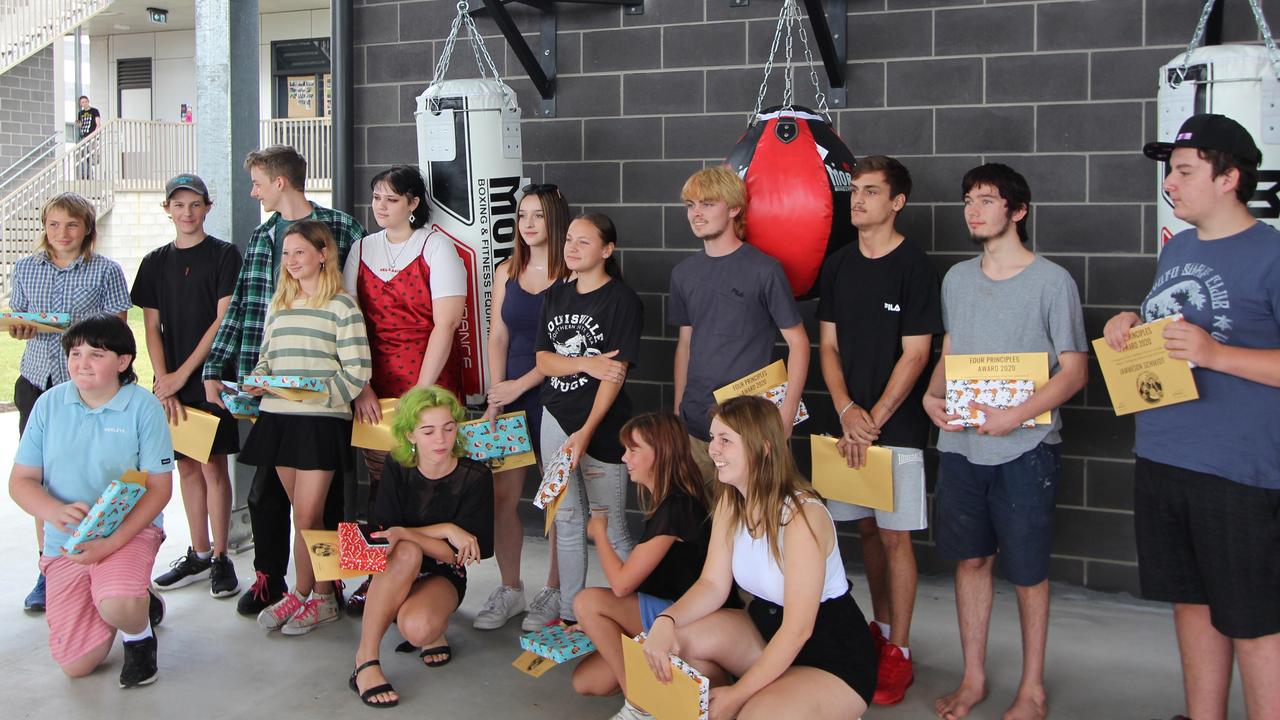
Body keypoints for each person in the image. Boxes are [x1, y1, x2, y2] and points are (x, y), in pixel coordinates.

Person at [1105, 114, 1280, 720]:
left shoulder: (1273, 252)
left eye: (1184, 171)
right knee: (1191, 600)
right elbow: (1173, 327)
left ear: (1229, 176)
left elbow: (1210, 345)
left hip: (1237, 469)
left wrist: (1217, 354)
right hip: (1162, 455)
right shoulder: (1177, 248)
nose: (1170, 184)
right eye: (1169, 172)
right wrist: (1130, 322)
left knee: (1253, 616)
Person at [921, 163, 1087, 720]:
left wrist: (1015, 416)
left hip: (1026, 449)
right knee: (970, 563)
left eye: (987, 199)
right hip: (963, 446)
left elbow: (1075, 370)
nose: (973, 209)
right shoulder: (956, 280)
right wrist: (931, 396)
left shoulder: (1052, 281)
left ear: (1017, 211)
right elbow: (951, 349)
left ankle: (1032, 688)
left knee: (1028, 571)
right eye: (968, 199)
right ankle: (973, 678)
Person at [200, 145, 364, 617]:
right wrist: (220, 368)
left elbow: (358, 307)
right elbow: (246, 305)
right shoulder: (261, 237)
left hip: (324, 390)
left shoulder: (343, 228)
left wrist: (358, 386)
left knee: (333, 504)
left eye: (256, 182)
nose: (252, 191)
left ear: (280, 182)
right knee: (266, 495)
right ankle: (272, 579)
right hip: (270, 390)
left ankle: (329, 590)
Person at [640, 395, 878, 719]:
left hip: (829, 654)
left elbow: (798, 630)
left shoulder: (801, 517)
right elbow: (711, 584)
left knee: (756, 714)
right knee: (678, 645)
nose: (713, 450)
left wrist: (737, 695)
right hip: (766, 631)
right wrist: (666, 622)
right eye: (713, 438)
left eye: (726, 440)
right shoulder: (730, 501)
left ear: (763, 448)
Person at [816, 155, 941, 706]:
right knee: (864, 532)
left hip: (899, 426)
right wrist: (845, 409)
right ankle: (881, 628)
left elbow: (917, 355)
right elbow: (828, 345)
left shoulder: (916, 266)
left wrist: (875, 421)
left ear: (897, 202)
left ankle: (902, 650)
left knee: (896, 538)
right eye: (854, 192)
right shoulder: (839, 264)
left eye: (870, 192)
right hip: (848, 427)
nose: (857, 200)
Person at [8, 314, 172, 687]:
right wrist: (54, 510)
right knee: (77, 665)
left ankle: (137, 631)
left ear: (123, 361)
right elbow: (21, 482)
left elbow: (160, 490)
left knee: (118, 606)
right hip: (68, 542)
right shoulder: (49, 404)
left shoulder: (143, 408)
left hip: (126, 532)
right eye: (75, 353)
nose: (82, 363)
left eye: (96, 354)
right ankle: (125, 596)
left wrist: (110, 544)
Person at [342, 165, 467, 614]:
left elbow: (446, 323)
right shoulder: (360, 248)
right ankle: (377, 578)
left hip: (429, 384)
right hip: (376, 386)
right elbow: (350, 324)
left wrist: (422, 393)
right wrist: (361, 386)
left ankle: (437, 575)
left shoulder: (437, 247)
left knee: (430, 477)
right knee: (382, 482)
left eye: (391, 199)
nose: (380, 206)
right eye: (376, 197)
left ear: (413, 204)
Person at [238, 220, 371, 636]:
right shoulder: (280, 303)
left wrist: (318, 393)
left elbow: (357, 370)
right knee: (301, 515)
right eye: (287, 254)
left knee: (311, 515)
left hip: (320, 422)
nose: (292, 261)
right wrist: (258, 380)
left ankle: (315, 594)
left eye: (300, 252)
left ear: (323, 254)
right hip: (278, 418)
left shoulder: (342, 306)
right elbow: (266, 359)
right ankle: (311, 595)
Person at [9, 192, 130, 613]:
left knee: (93, 472)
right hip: (37, 381)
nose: (62, 233)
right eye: (54, 224)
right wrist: (21, 329)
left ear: (88, 229)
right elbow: (19, 318)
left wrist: (79, 336)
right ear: (44, 227)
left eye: (72, 225)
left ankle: (106, 560)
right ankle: (49, 568)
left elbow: (117, 329)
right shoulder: (25, 268)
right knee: (42, 480)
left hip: (87, 387)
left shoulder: (105, 270)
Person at [572, 412, 736, 720]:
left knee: (587, 602)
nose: (625, 458)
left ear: (660, 453)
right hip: (664, 610)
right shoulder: (667, 501)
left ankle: (641, 703)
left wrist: (599, 533)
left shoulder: (677, 505)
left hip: (689, 619)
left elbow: (622, 584)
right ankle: (686, 675)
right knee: (586, 681)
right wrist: (601, 624)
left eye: (634, 450)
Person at [132, 174, 243, 599]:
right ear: (167, 209)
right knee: (186, 467)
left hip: (210, 377)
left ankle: (220, 556)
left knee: (214, 465)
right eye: (178, 205)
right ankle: (197, 552)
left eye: (195, 204)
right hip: (172, 383)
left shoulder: (223, 256)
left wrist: (185, 376)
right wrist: (165, 382)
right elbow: (152, 327)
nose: (187, 212)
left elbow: (221, 322)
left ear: (207, 208)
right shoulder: (155, 262)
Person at [349, 386, 494, 707]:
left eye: (448, 428)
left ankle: (420, 618)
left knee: (417, 629)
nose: (440, 440)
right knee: (406, 551)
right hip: (395, 566)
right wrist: (445, 529)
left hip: (443, 573)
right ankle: (365, 661)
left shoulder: (476, 476)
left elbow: (464, 554)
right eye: (428, 431)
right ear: (411, 436)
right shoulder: (396, 468)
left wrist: (408, 533)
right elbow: (386, 536)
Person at [669, 166, 808, 483]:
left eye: (707, 204)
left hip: (748, 425)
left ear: (734, 208)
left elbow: (799, 343)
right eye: (691, 205)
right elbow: (685, 344)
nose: (696, 214)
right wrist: (679, 407)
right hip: (696, 424)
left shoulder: (764, 270)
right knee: (701, 524)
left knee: (751, 525)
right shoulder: (684, 273)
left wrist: (785, 416)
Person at [473, 183, 570, 632]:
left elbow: (569, 348)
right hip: (509, 397)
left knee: (556, 500)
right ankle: (511, 588)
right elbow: (498, 336)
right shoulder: (506, 269)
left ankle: (553, 589)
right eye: (522, 215)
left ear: (556, 220)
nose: (528, 224)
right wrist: (498, 392)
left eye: (538, 216)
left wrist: (521, 385)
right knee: (501, 497)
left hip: (555, 396)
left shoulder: (571, 273)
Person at [535, 213, 641, 621]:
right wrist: (585, 363)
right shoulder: (556, 295)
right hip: (555, 417)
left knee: (609, 526)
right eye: (569, 241)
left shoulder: (622, 301)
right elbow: (543, 361)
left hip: (602, 425)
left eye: (583, 242)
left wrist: (585, 432)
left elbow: (613, 376)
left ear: (607, 250)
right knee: (566, 519)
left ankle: (644, 612)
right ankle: (570, 614)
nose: (572, 249)